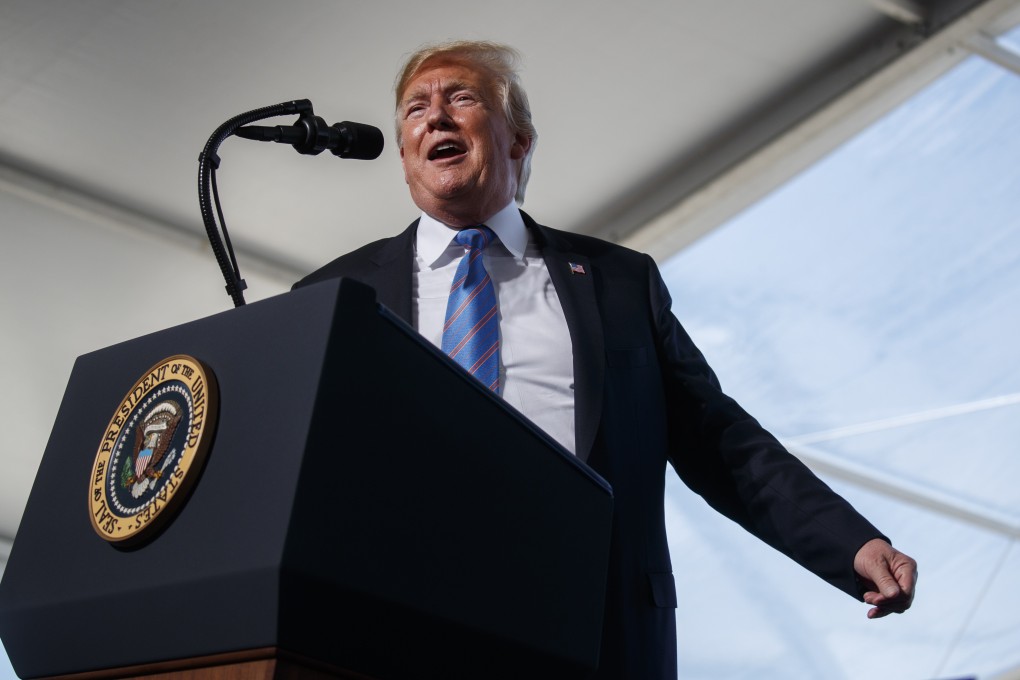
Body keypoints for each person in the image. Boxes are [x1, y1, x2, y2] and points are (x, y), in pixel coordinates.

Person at [295, 40, 917, 679]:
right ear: (404, 156)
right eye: (415, 109)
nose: (436, 117)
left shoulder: (619, 283)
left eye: (462, 97)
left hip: (596, 630)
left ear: (518, 140)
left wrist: (850, 543)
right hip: (395, 630)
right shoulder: (332, 297)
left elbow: (718, 440)